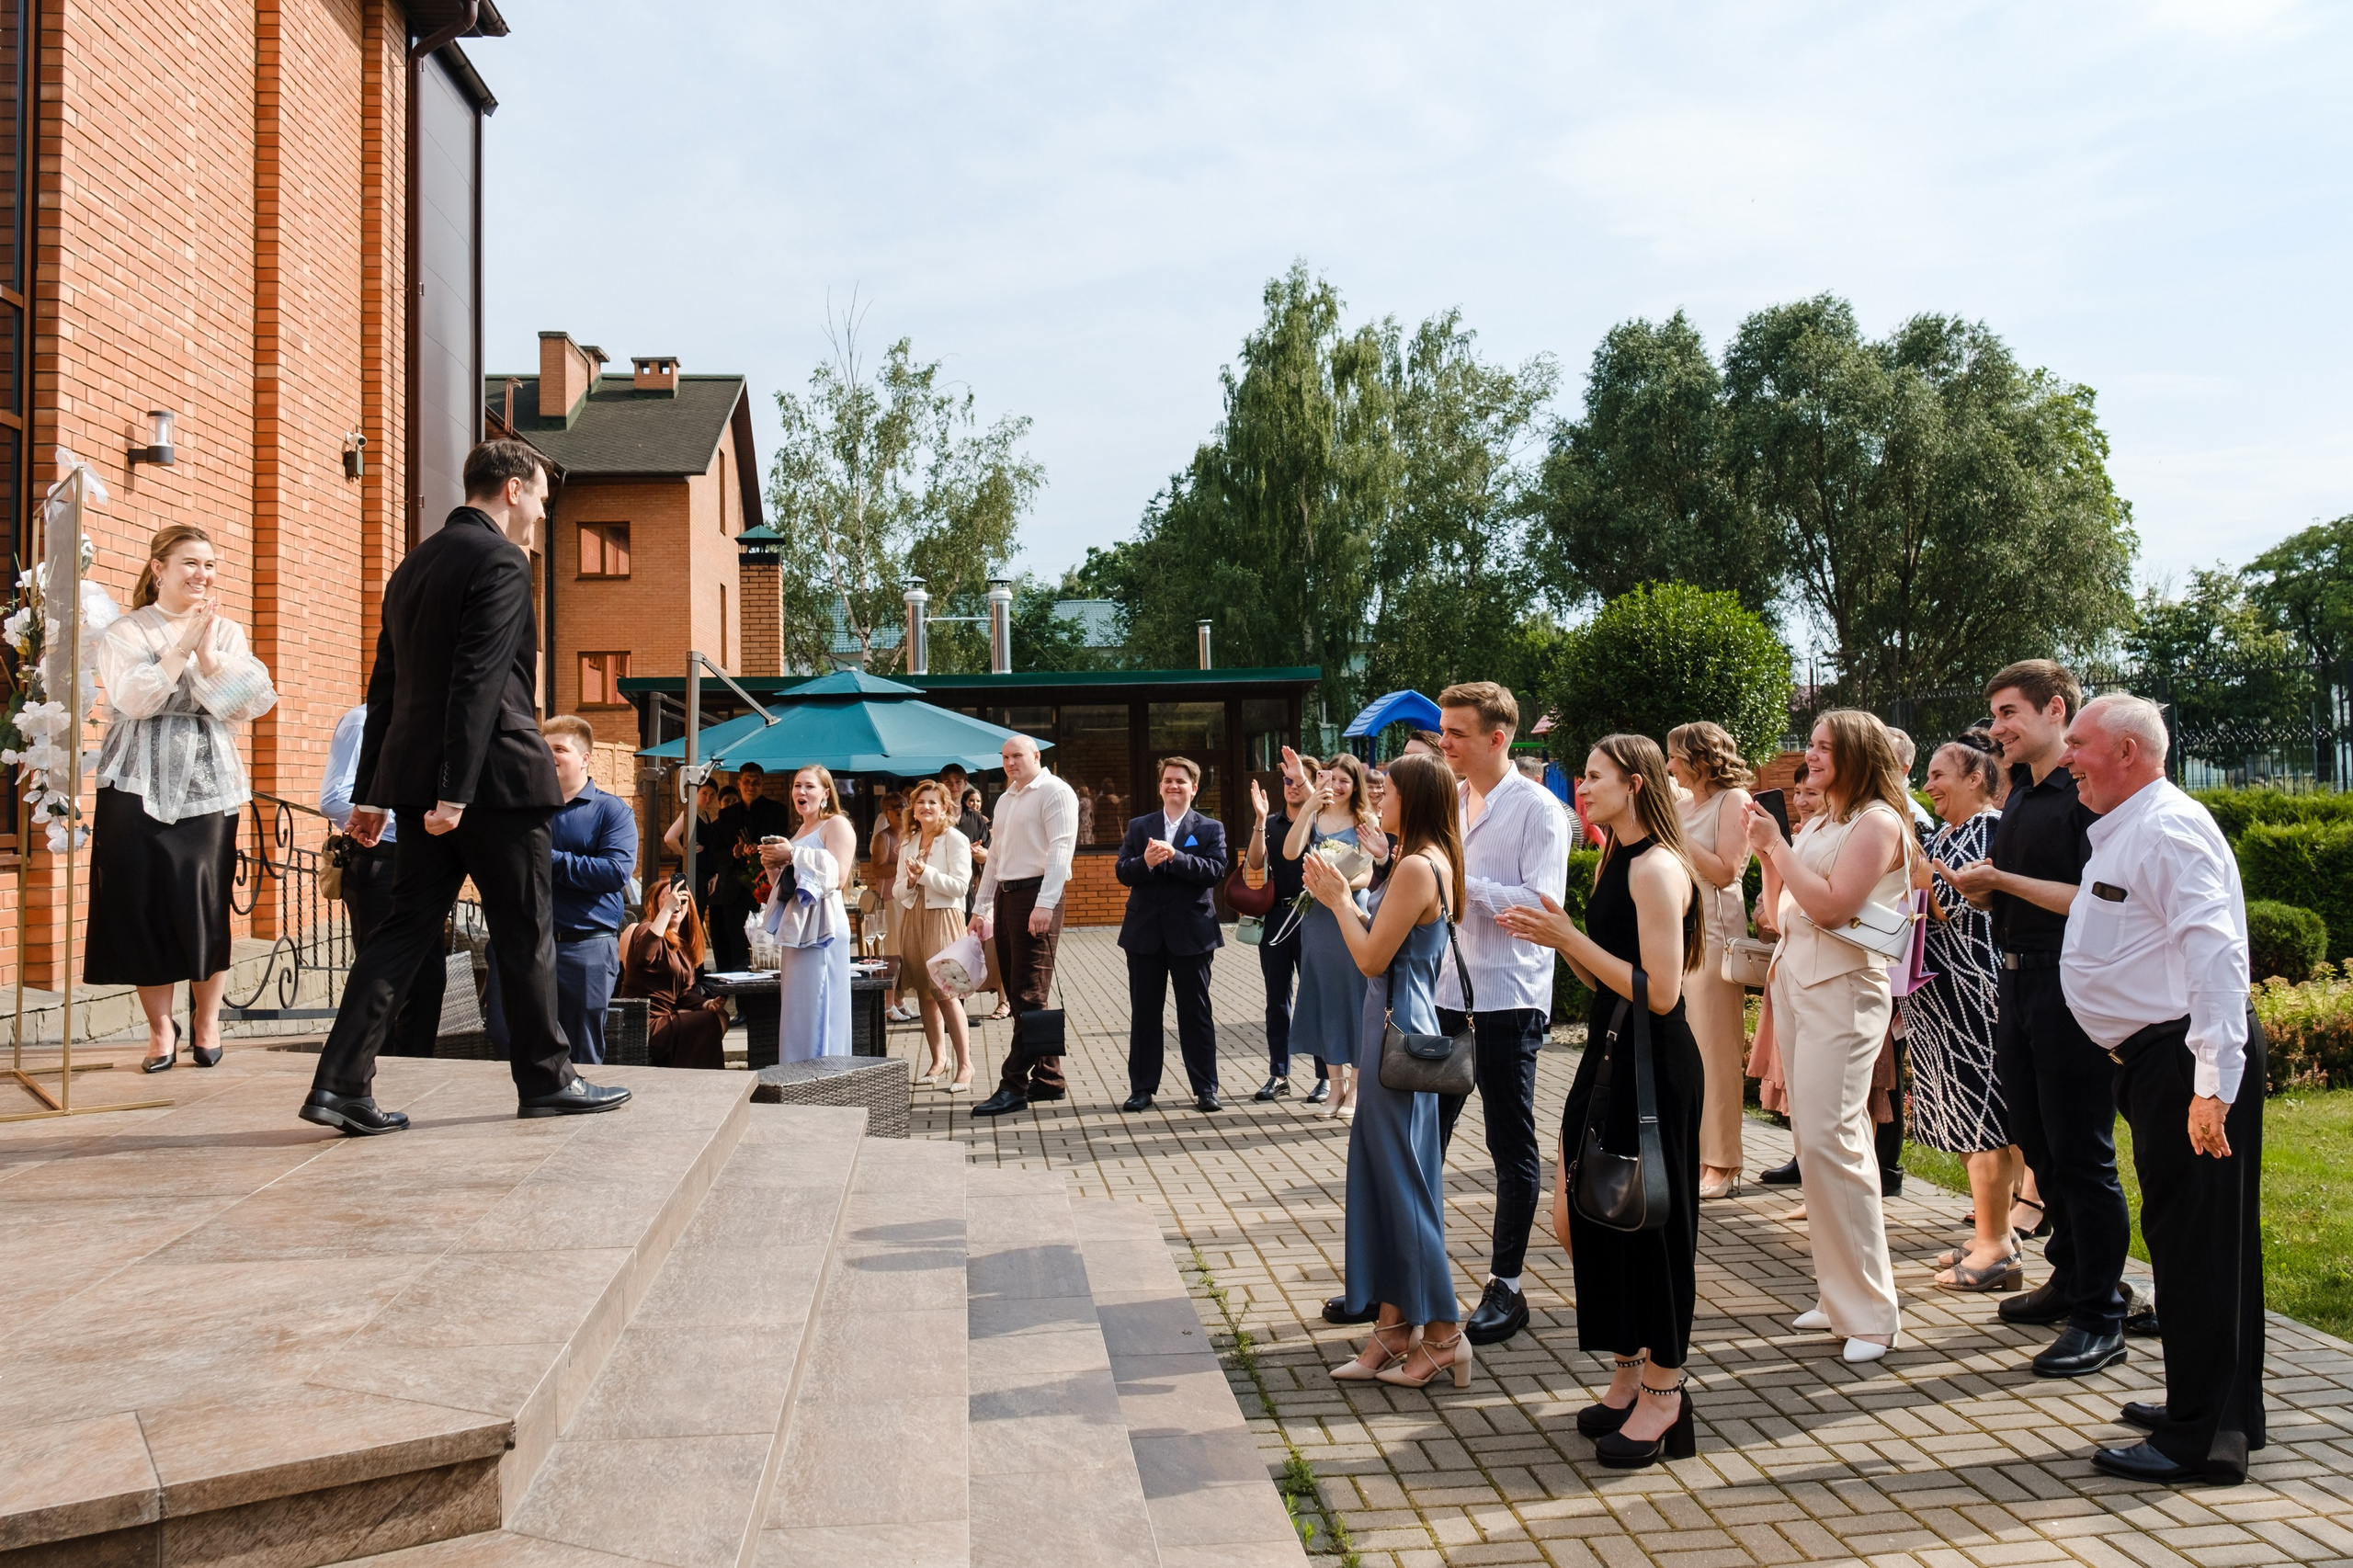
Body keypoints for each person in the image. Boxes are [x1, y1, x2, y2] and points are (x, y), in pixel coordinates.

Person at [302, 439, 629, 1131]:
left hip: (424, 788)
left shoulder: (411, 568)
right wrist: (457, 791)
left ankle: (338, 1085)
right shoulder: (503, 560)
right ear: (511, 489)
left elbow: (384, 688)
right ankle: (547, 1080)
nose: (541, 512)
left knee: (401, 933)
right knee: (527, 931)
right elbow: (479, 681)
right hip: (495, 785)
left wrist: (372, 794)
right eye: (540, 496)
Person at [2059, 695, 2264, 1487]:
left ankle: (2200, 1441)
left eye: (2080, 742)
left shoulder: (2166, 827)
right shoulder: (2133, 824)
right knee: (2200, 1240)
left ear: (2130, 753)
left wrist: (2210, 1086)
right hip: (2161, 1059)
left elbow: (2216, 956)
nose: (2068, 755)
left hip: (2186, 1059)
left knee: (2196, 1246)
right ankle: (2221, 1410)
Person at [1500, 733, 1703, 1466]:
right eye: (1582, 776)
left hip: (1654, 1063)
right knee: (1591, 1213)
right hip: (1613, 1050)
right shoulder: (1619, 859)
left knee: (1647, 1224)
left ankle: (1665, 1391)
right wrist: (1562, 941)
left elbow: (1662, 991)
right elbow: (1606, 980)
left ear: (1637, 785)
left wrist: (1568, 937)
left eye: (1594, 777)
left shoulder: (1656, 868)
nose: (1581, 787)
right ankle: (1628, 1373)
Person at [1940, 660, 2131, 1379]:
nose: (1997, 729)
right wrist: (1983, 895)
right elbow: (2014, 895)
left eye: (2009, 713)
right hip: (2015, 984)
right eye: (1993, 715)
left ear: (2056, 711)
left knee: (2081, 1154)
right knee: (2036, 1144)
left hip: (2070, 987)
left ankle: (2102, 1314)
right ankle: (2070, 1277)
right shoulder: (2018, 792)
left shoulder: (2085, 798)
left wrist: (2001, 882)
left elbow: (2095, 897)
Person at [1740, 710, 1910, 1365]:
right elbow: (1785, 907)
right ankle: (1839, 1295)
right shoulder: (1827, 819)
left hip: (1843, 990)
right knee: (1815, 1144)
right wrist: (1768, 854)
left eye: (1823, 747)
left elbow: (1837, 906)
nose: (1809, 756)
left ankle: (1872, 1311)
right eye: (1810, 745)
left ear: (1857, 754)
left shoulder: (1877, 821)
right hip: (1801, 983)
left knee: (1835, 1141)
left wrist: (1777, 845)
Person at [88, 524, 278, 1072]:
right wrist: (180, 648)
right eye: (191, 563)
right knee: (142, 905)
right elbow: (135, 699)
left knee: (204, 903)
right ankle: (159, 1031)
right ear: (159, 570)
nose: (202, 574)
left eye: (211, 565)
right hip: (134, 787)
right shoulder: (126, 631)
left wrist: (211, 658)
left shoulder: (229, 632)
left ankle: (207, 1020)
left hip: (209, 789)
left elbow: (248, 705)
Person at [1311, 753, 1472, 1392]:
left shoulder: (1415, 866)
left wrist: (1336, 900)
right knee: (1394, 1183)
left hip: (1396, 1034)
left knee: (1403, 1191)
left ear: (1415, 797)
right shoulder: (1427, 858)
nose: (1378, 798)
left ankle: (1443, 1335)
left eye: (1387, 789)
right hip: (1404, 1025)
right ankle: (1391, 1330)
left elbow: (1374, 958)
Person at [1422, 681, 1570, 1347]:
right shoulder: (1448, 802)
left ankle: (1506, 1286)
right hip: (1447, 992)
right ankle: (1413, 1278)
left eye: (1455, 733)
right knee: (1426, 1137)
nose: (1444, 743)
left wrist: (1459, 885)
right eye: (1443, 731)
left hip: (1508, 999)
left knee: (1510, 1146)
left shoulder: (1538, 810)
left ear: (1496, 738)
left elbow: (1541, 907)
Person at [1907, 737, 2018, 1291]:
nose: (1928, 786)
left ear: (1976, 777)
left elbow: (1982, 911)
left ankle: (1996, 1245)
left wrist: (1930, 889)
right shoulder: (1943, 834)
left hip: (1974, 995)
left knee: (1982, 1118)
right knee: (1963, 1117)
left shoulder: (1993, 830)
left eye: (1938, 774)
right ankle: (1990, 1234)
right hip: (1939, 998)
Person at [484, 716, 637, 1066]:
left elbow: (614, 873)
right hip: (519, 944)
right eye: (543, 747)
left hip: (583, 948)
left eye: (559, 749)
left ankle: (580, 1120)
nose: (548, 755)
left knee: (580, 1050)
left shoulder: (611, 812)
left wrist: (543, 858)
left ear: (585, 758)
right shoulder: (520, 807)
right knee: (504, 1037)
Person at [322, 700, 445, 1061]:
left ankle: (414, 1068)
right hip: (380, 861)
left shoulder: (426, 718)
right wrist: (403, 818)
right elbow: (334, 799)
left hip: (422, 862)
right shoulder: (362, 721)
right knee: (385, 978)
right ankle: (371, 1067)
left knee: (429, 978)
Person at [1665, 721, 1756, 1199]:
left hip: (1716, 935)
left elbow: (1726, 871)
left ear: (1700, 758)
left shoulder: (1735, 800)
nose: (1669, 764)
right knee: (1683, 1051)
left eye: (1676, 755)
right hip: (1676, 933)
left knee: (1716, 1053)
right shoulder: (1681, 803)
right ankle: (1690, 1152)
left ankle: (1722, 1162)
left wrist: (1675, 836)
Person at [969, 736, 1081, 1117]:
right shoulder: (1005, 799)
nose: (1010, 763)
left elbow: (1061, 849)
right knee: (1021, 995)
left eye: (1017, 756)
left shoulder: (1055, 791)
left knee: (1030, 995)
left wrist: (1045, 903)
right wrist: (982, 907)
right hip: (1006, 895)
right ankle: (1049, 1079)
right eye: (1004, 757)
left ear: (1037, 756)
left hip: (1037, 896)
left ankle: (1013, 1083)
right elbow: (996, 856)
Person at [1115, 756, 1228, 1114]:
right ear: (1160, 786)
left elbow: (1215, 871)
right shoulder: (1139, 826)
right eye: (1167, 781)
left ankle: (1206, 1088)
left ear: (1194, 787)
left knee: (1195, 1014)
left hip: (1192, 935)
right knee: (1145, 1014)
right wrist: (1146, 863)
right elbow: (1123, 871)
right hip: (1145, 935)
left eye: (1180, 781)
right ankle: (1143, 1088)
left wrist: (1176, 856)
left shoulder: (1211, 828)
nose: (1173, 786)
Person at [1281, 751, 1381, 1121]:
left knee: (1355, 998)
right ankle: (1334, 1086)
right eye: (1331, 778)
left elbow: (1368, 875)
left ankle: (1356, 1089)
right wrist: (1308, 807)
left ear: (1355, 785)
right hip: (1316, 921)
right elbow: (1291, 852)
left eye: (1345, 780)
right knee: (1324, 997)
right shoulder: (1316, 815)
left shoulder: (1365, 818)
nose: (1336, 786)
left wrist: (1335, 884)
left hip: (1350, 914)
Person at [1244, 760, 1329, 1103]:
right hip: (1278, 919)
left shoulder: (1323, 822)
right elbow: (1253, 863)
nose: (1293, 786)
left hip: (1316, 917)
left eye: (1300, 780)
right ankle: (1279, 1074)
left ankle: (1326, 1075)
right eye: (1288, 780)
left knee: (1319, 999)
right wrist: (1260, 821)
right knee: (1276, 1001)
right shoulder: (1274, 823)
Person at [766, 765, 858, 1062]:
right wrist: (773, 866)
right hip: (798, 930)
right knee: (797, 1009)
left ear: (826, 794)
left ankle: (824, 1072)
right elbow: (791, 886)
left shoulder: (836, 825)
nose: (800, 792)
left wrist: (792, 854)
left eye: (809, 786)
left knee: (820, 1007)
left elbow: (838, 876)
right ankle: (796, 1071)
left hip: (824, 929)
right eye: (796, 786)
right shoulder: (799, 833)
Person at [895, 778, 975, 1091]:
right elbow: (899, 890)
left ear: (944, 808)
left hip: (944, 917)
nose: (926, 807)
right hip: (915, 917)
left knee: (946, 992)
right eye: (920, 803)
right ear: (913, 810)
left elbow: (960, 886)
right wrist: (913, 881)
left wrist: (925, 874)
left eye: (932, 803)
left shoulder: (953, 838)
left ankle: (966, 1065)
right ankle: (939, 1060)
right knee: (924, 991)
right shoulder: (908, 843)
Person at [618, 878, 729, 1069]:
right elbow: (645, 955)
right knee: (708, 1023)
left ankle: (690, 1074)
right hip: (642, 1023)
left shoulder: (681, 947)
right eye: (668, 897)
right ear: (657, 904)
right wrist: (667, 910)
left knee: (720, 1015)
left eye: (680, 897)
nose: (675, 900)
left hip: (664, 1018)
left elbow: (684, 994)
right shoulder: (645, 929)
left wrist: (707, 1003)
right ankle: (699, 1078)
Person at [710, 763, 789, 972]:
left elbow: (784, 847)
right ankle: (740, 996)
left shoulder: (777, 811)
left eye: (756, 782)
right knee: (737, 947)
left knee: (767, 944)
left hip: (766, 888)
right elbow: (716, 852)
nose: (751, 786)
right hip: (734, 891)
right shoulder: (727, 815)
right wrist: (734, 854)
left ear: (762, 784)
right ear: (739, 783)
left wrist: (761, 849)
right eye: (747, 781)